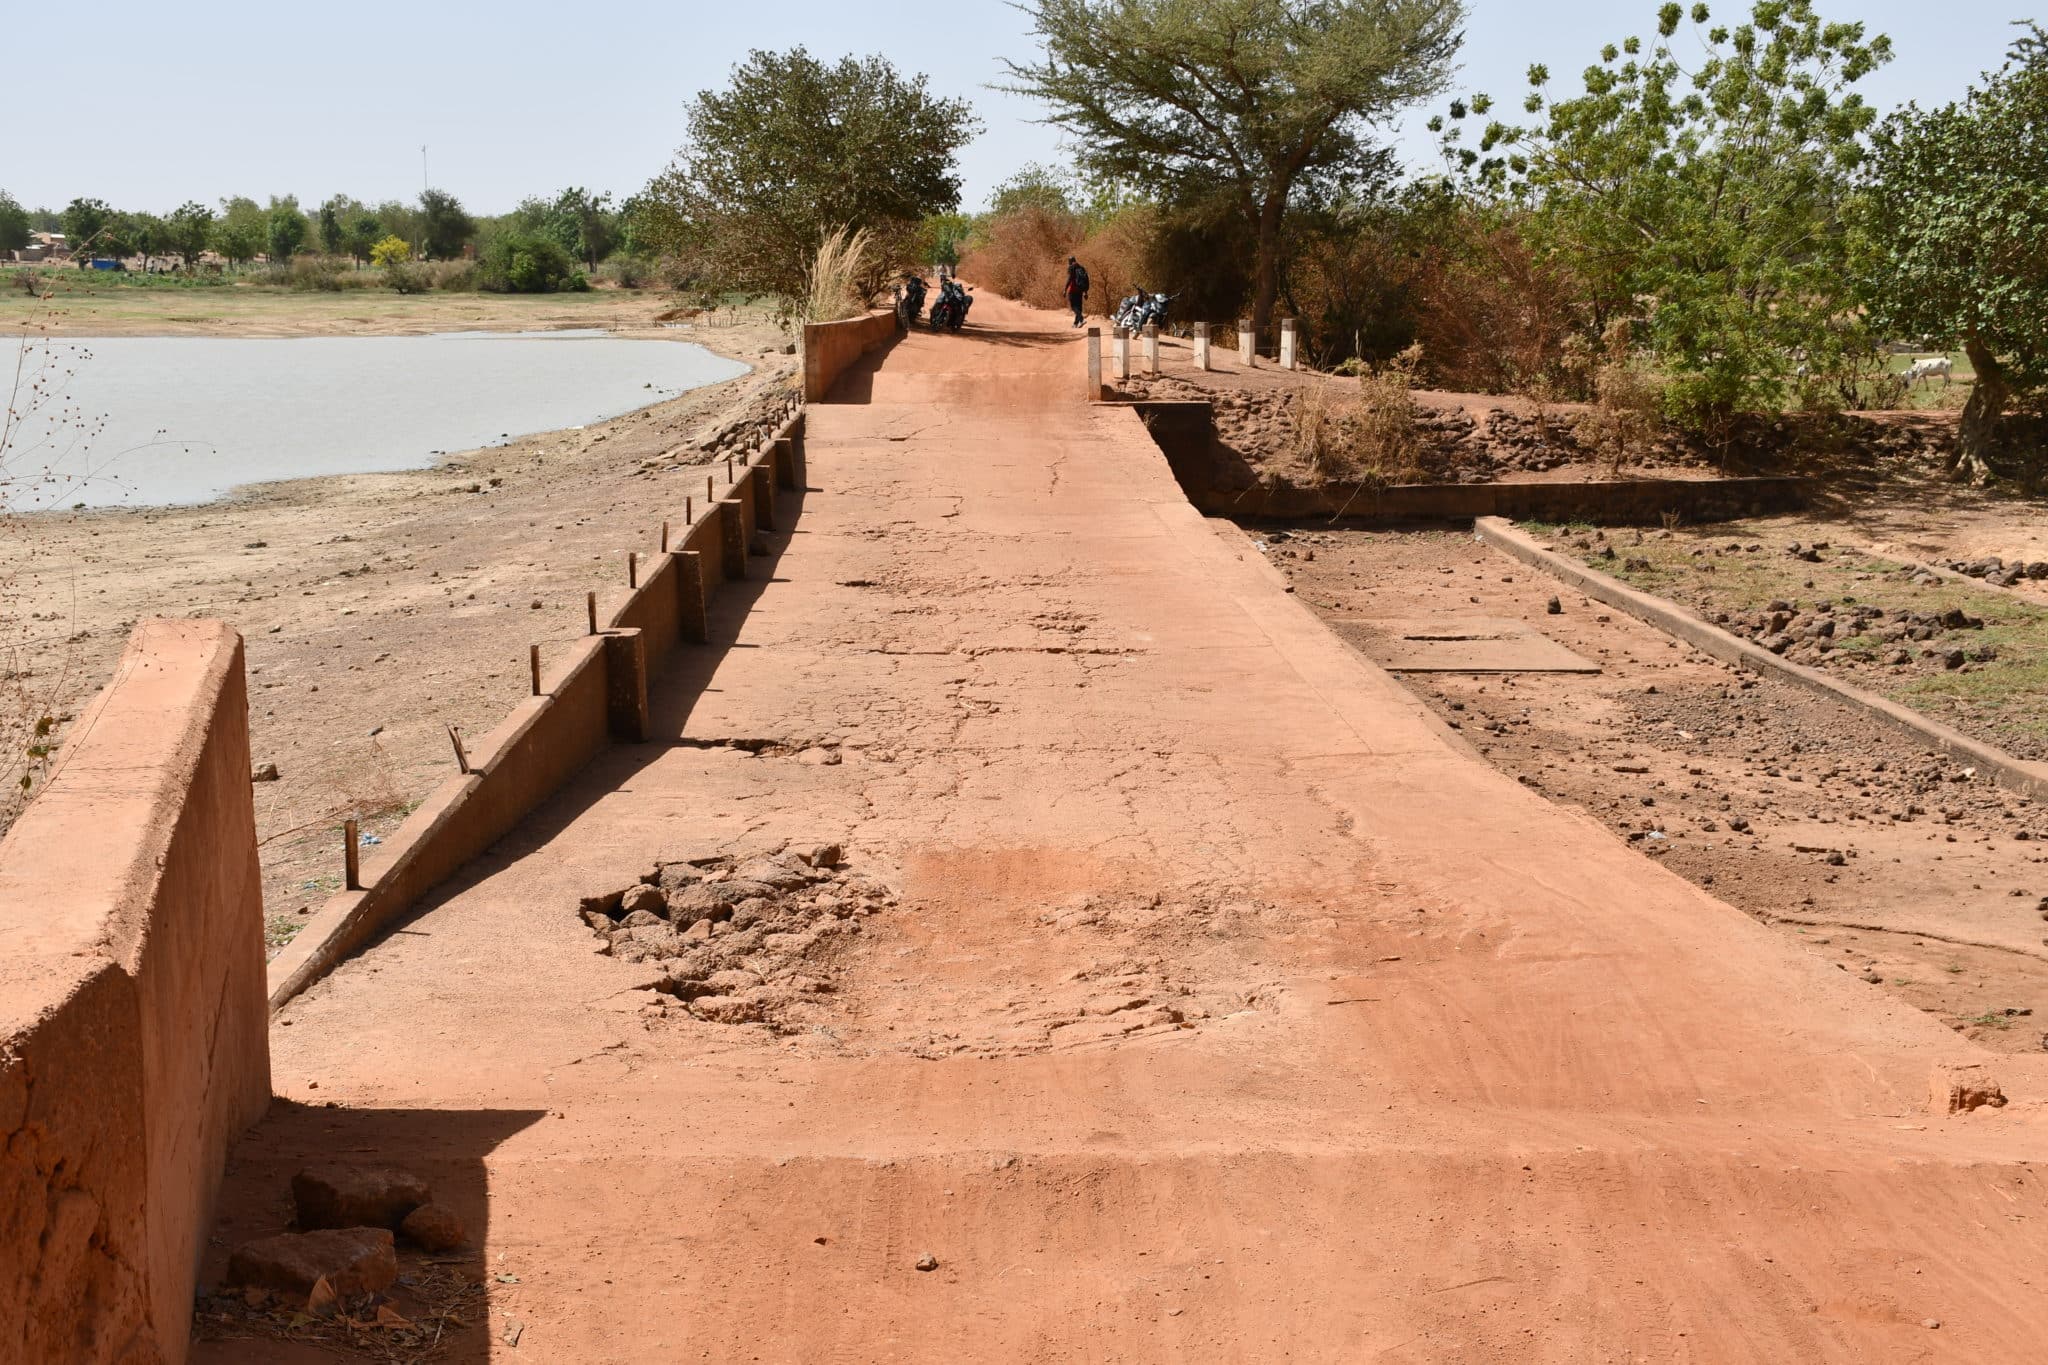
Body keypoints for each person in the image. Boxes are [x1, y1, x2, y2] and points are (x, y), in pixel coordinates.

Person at [1064, 256, 1089, 326]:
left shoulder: (1071, 268)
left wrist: (1065, 289)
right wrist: (1085, 292)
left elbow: (1069, 279)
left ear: (1070, 261)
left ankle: (1082, 319)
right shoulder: (1081, 268)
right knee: (1079, 307)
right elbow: (1085, 280)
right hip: (1080, 290)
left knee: (1073, 307)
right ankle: (1076, 323)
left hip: (1073, 290)